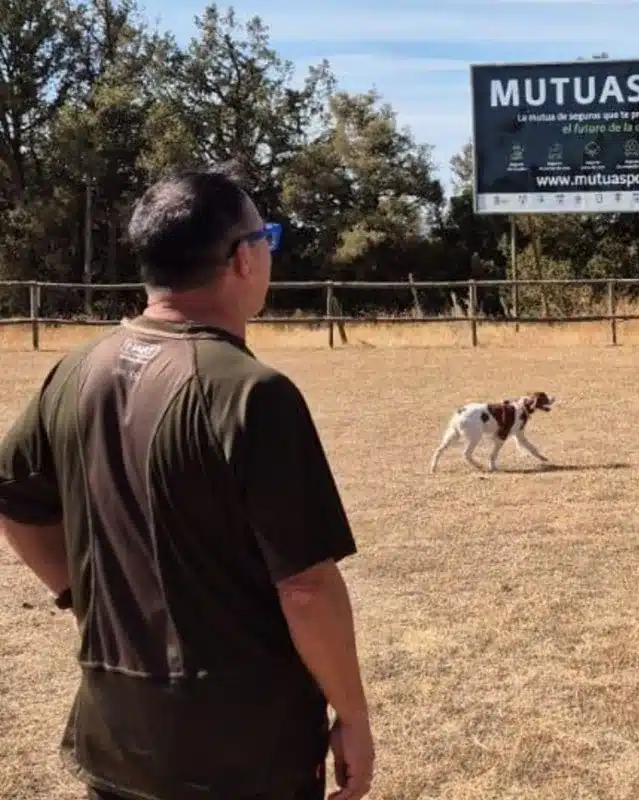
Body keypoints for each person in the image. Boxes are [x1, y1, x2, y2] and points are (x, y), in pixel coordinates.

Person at [0, 166, 374, 799]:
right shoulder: (253, 394)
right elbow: (307, 588)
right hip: (242, 753)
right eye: (267, 237)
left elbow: (14, 500)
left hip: (116, 736)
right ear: (240, 261)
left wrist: (77, 596)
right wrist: (355, 717)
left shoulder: (73, 371)